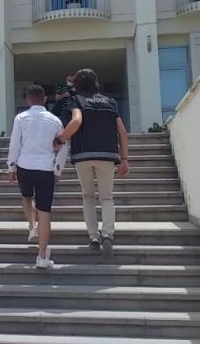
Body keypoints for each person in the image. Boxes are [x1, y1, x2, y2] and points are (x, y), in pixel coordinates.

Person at [56, 69, 130, 259]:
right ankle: (108, 234)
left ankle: (93, 236)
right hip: (107, 154)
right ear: (95, 82)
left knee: (88, 196)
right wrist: (124, 159)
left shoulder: (76, 100)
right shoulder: (110, 102)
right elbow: (122, 132)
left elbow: (76, 121)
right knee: (107, 197)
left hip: (84, 155)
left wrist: (61, 139)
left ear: (77, 84)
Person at [7, 84, 68, 269]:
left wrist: (11, 166)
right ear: (45, 99)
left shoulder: (20, 118)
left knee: (26, 197)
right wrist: (58, 169)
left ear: (28, 100)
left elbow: (14, 143)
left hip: (24, 165)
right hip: (45, 167)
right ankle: (42, 255)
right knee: (44, 211)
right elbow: (65, 145)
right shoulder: (55, 120)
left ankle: (32, 226)